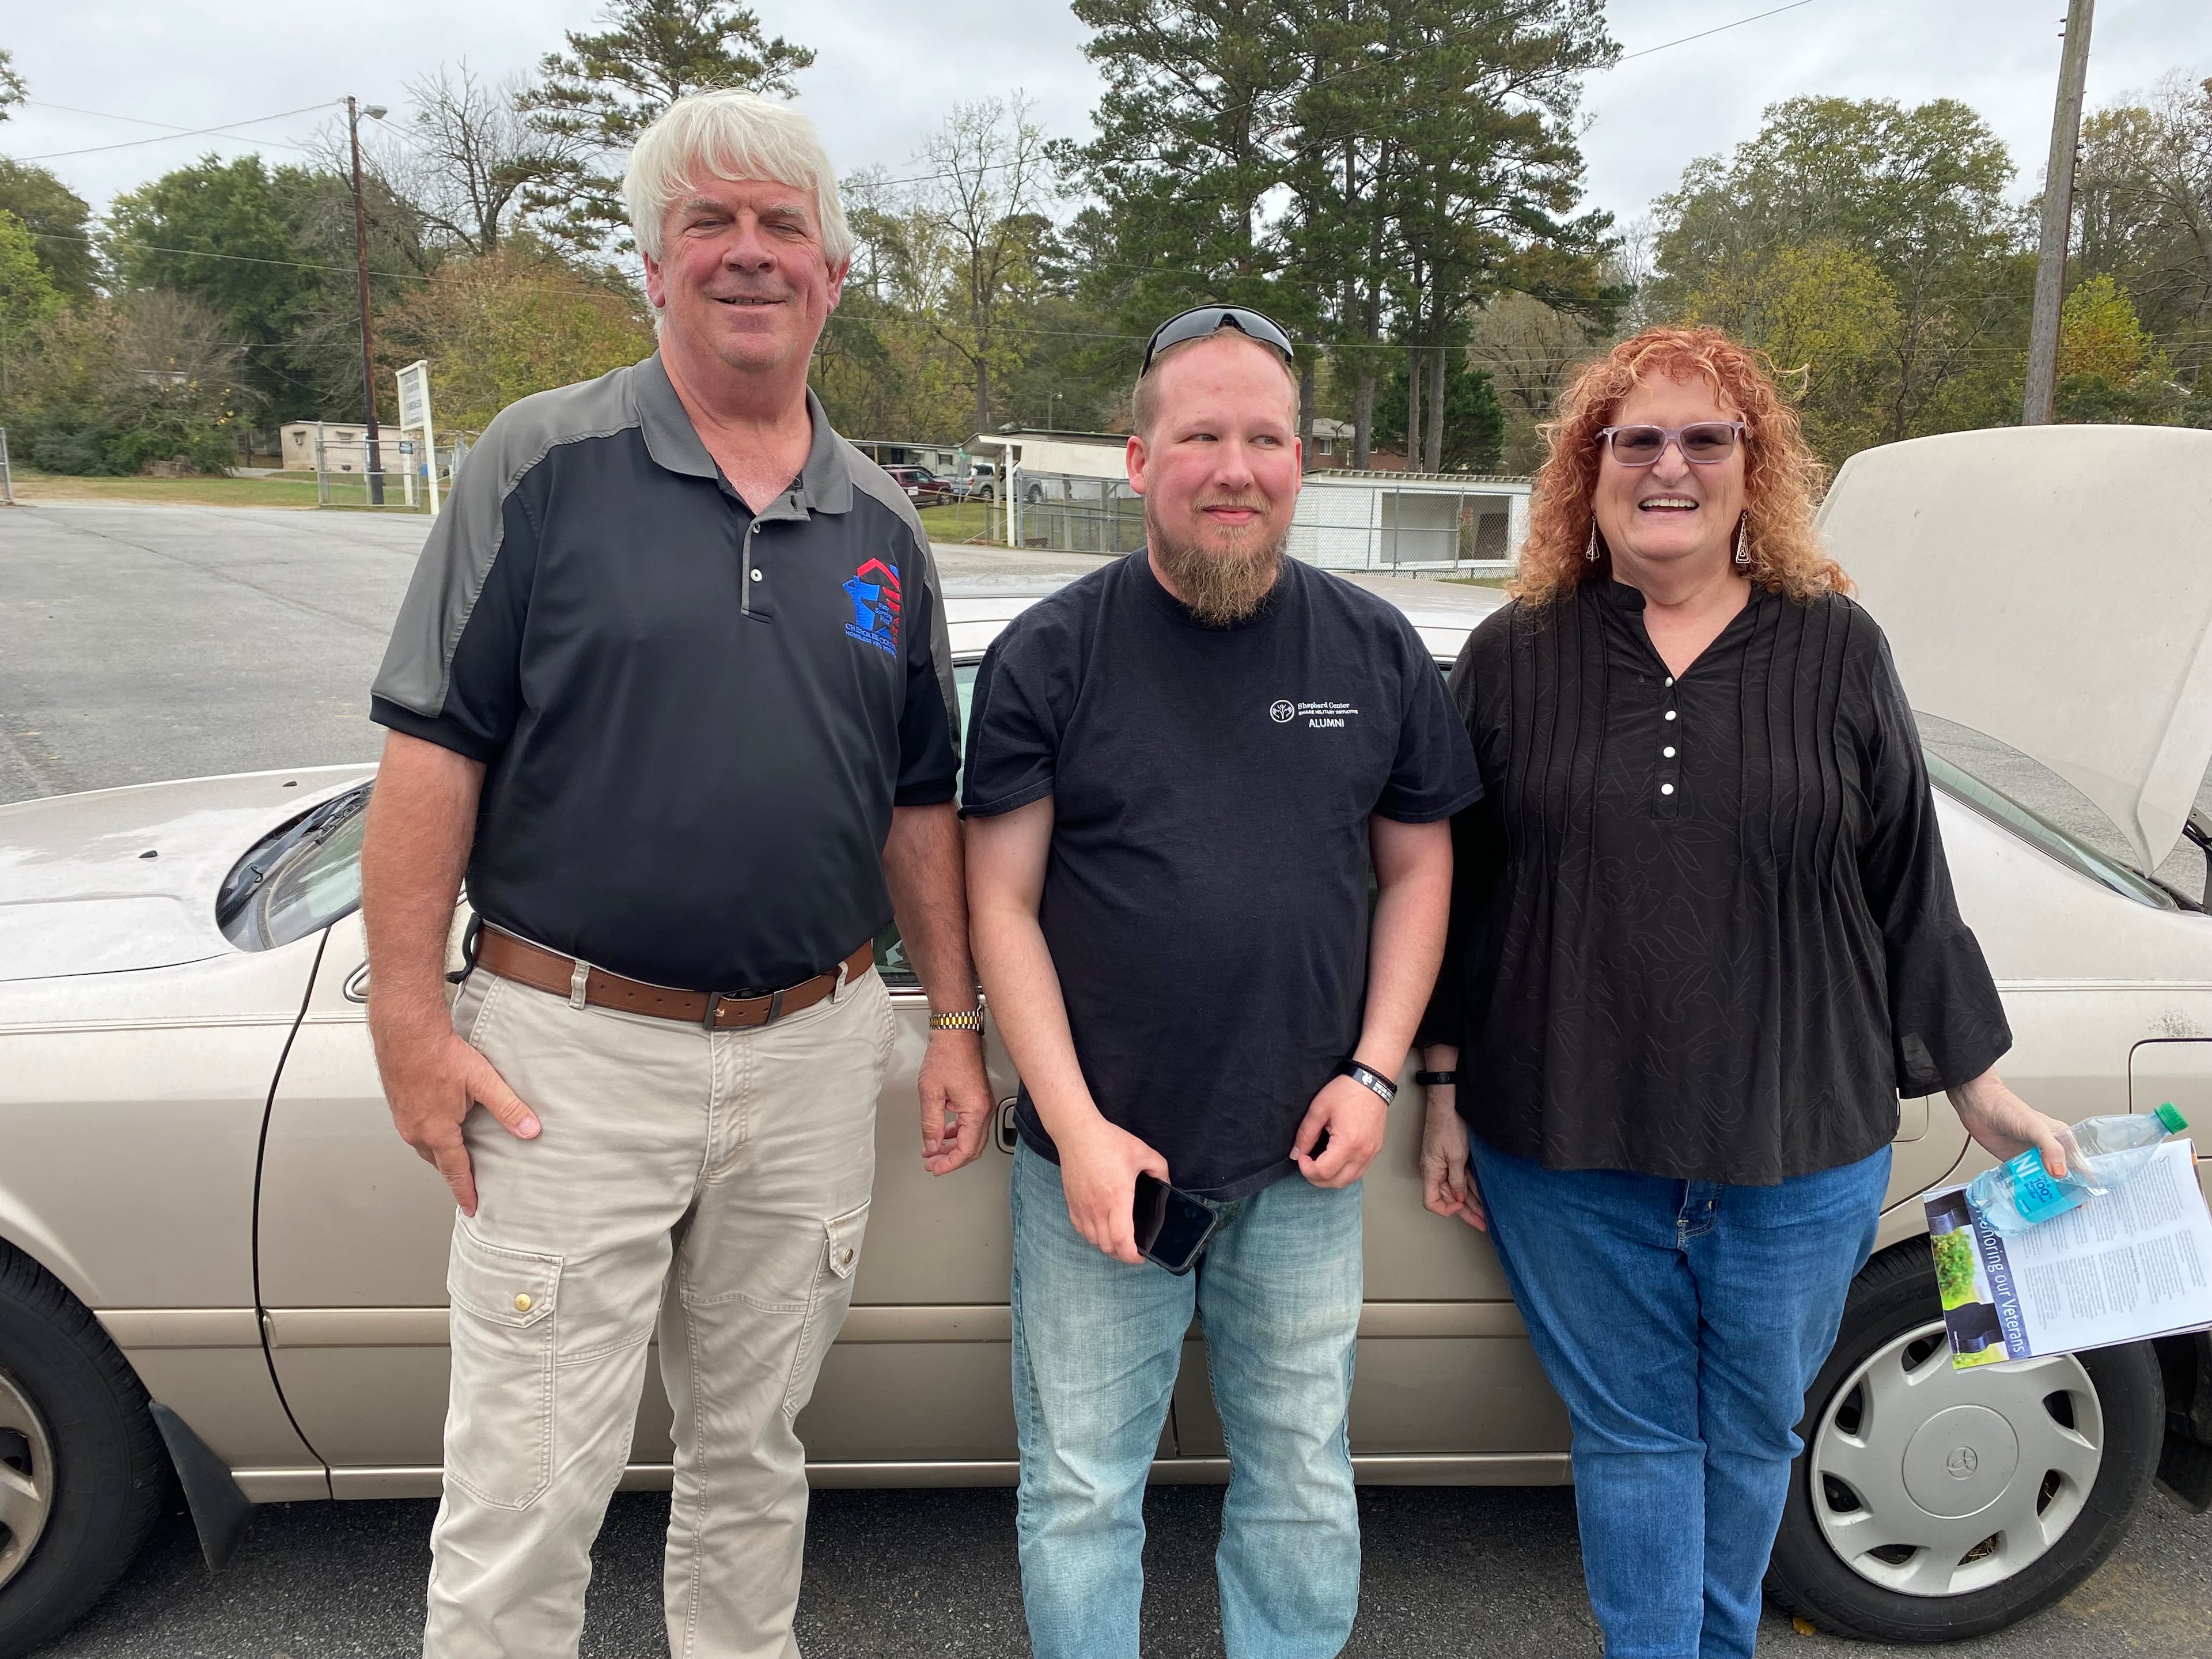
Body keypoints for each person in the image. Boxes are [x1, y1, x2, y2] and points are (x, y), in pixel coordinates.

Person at [359, 90, 994, 1659]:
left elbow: (921, 803)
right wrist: (410, 1028)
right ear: (652, 265)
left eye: (783, 226)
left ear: (834, 274)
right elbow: (434, 754)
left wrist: (957, 1022)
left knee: (752, 1459)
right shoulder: (541, 465)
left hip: (813, 1053)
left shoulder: (883, 529)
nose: (748, 253)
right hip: (570, 1057)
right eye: (708, 222)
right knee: (524, 1494)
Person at [1415, 325, 2072, 1659]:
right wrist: (1439, 1089)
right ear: (1585, 470)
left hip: (1799, 1149)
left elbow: (1909, 876)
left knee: (1751, 1434)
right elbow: (1448, 896)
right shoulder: (1511, 657)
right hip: (1566, 1143)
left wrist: (1979, 1085)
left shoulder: (1836, 649)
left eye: (1705, 439)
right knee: (1640, 1442)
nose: (1670, 464)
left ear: (1751, 467)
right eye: (1636, 438)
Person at [964, 305, 1481, 1659]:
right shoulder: (1051, 656)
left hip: (1303, 1160)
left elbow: (1421, 876)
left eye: (1266, 439)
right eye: (1201, 435)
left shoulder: (1372, 654)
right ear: (1139, 461)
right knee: (1081, 1490)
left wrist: (1375, 1072)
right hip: (1100, 1162)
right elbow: (998, 901)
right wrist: (1073, 1128)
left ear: (1303, 465)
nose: (1235, 466)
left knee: (1303, 1478)